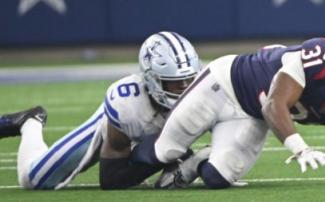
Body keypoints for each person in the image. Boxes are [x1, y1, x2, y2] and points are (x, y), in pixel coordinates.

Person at [131, 28, 325, 189]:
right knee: (161, 153)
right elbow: (274, 104)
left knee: (216, 178)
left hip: (253, 116)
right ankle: (117, 153)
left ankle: (196, 160)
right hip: (226, 83)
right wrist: (301, 148)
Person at [0, 31, 202, 190]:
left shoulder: (206, 92)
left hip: (153, 128)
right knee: (33, 179)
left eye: (190, 80)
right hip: (113, 127)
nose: (186, 88)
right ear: (152, 80)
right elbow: (110, 178)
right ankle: (30, 121)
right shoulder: (127, 104)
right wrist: (162, 155)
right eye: (175, 83)